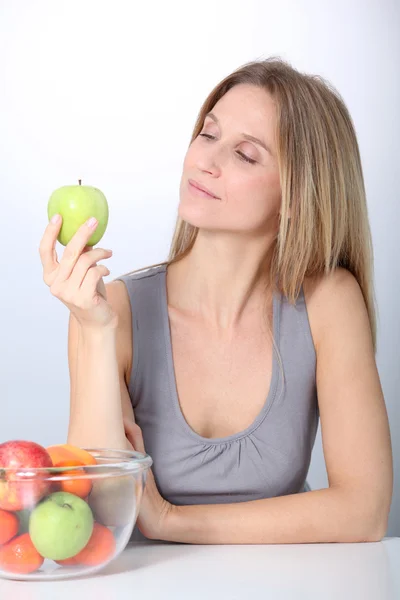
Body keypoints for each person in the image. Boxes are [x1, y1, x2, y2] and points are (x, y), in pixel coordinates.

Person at [39, 57, 393, 545]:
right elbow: (100, 508)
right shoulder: (110, 309)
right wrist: (94, 331)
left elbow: (364, 511)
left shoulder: (328, 304)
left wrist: (171, 521)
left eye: (245, 155)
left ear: (295, 195)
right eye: (208, 135)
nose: (207, 160)